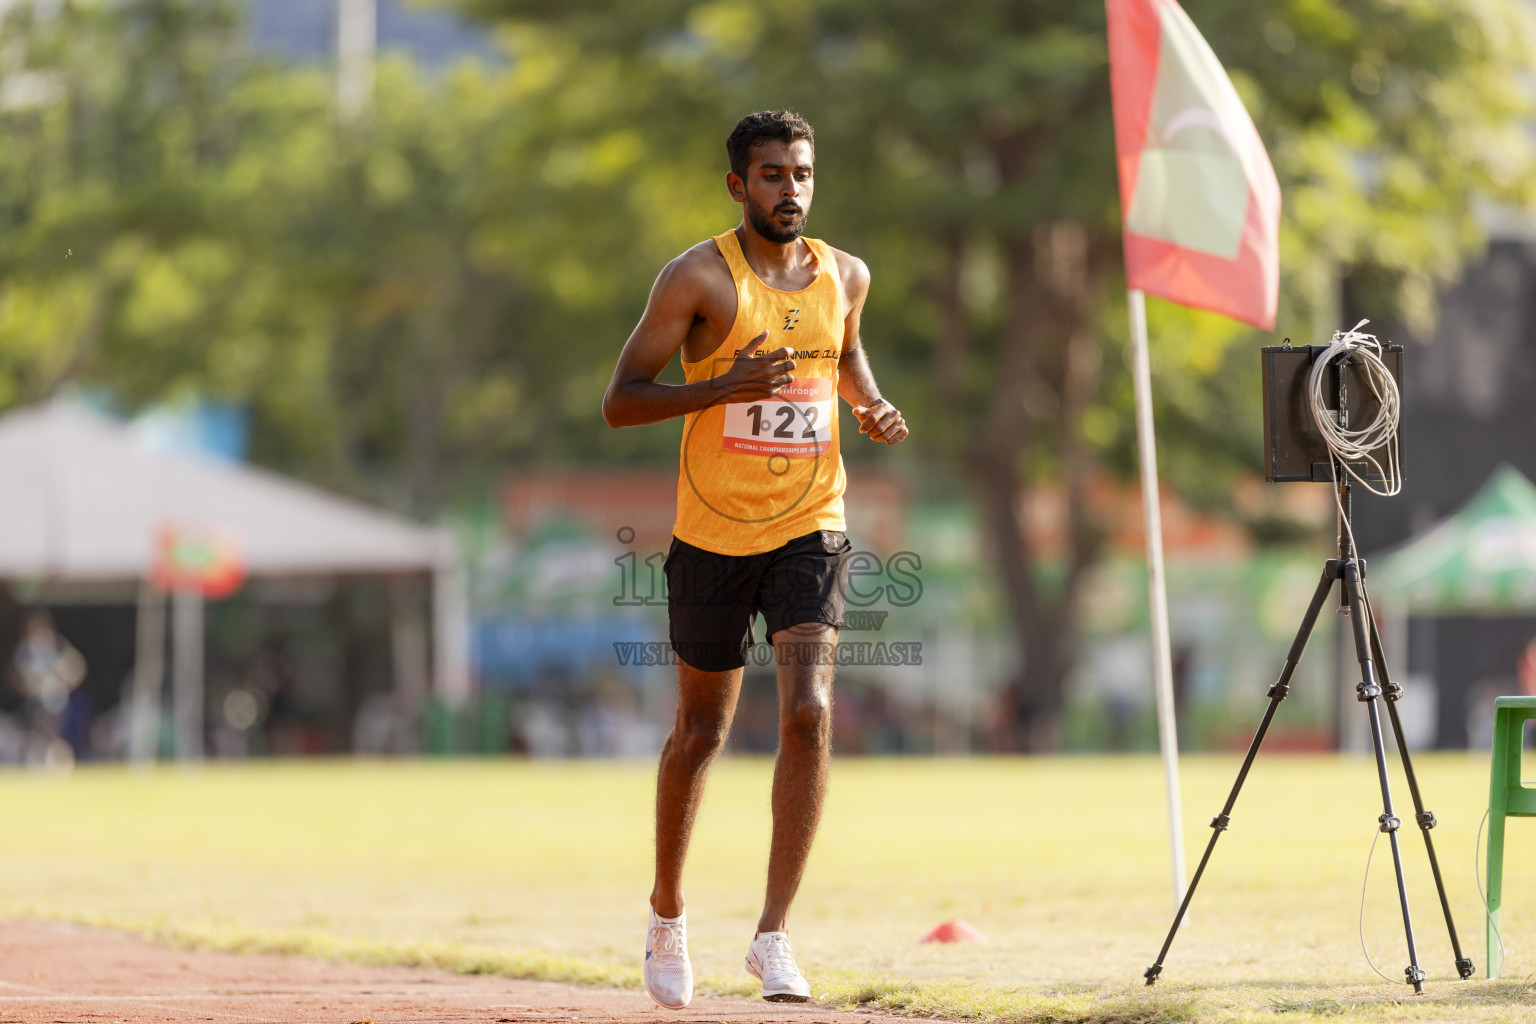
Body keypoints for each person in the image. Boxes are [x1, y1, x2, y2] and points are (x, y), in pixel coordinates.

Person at [602, 109, 908, 1008]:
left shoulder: (845, 275)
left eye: (802, 174)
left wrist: (872, 405)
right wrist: (719, 387)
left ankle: (774, 935)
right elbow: (620, 401)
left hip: (812, 521)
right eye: (771, 175)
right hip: (711, 533)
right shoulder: (697, 278)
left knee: (809, 712)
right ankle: (667, 913)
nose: (791, 190)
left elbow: (846, 355)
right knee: (701, 733)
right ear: (739, 186)